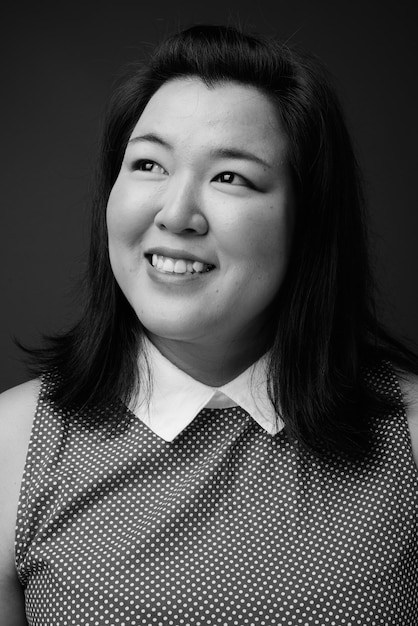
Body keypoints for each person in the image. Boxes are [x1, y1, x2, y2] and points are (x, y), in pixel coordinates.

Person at [1, 23, 417, 626]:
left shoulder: (407, 435)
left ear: (308, 220)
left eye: (231, 177)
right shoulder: (13, 449)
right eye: (148, 164)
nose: (175, 213)